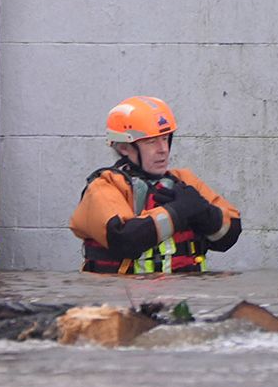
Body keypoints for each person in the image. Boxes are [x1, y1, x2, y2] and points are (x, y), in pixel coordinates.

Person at [70, 96, 240, 273]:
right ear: (124, 148)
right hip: (124, 297)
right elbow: (124, 240)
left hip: (185, 294)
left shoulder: (185, 180)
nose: (163, 149)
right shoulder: (104, 187)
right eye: (151, 141)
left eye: (165, 139)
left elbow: (230, 234)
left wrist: (204, 213)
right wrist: (179, 211)